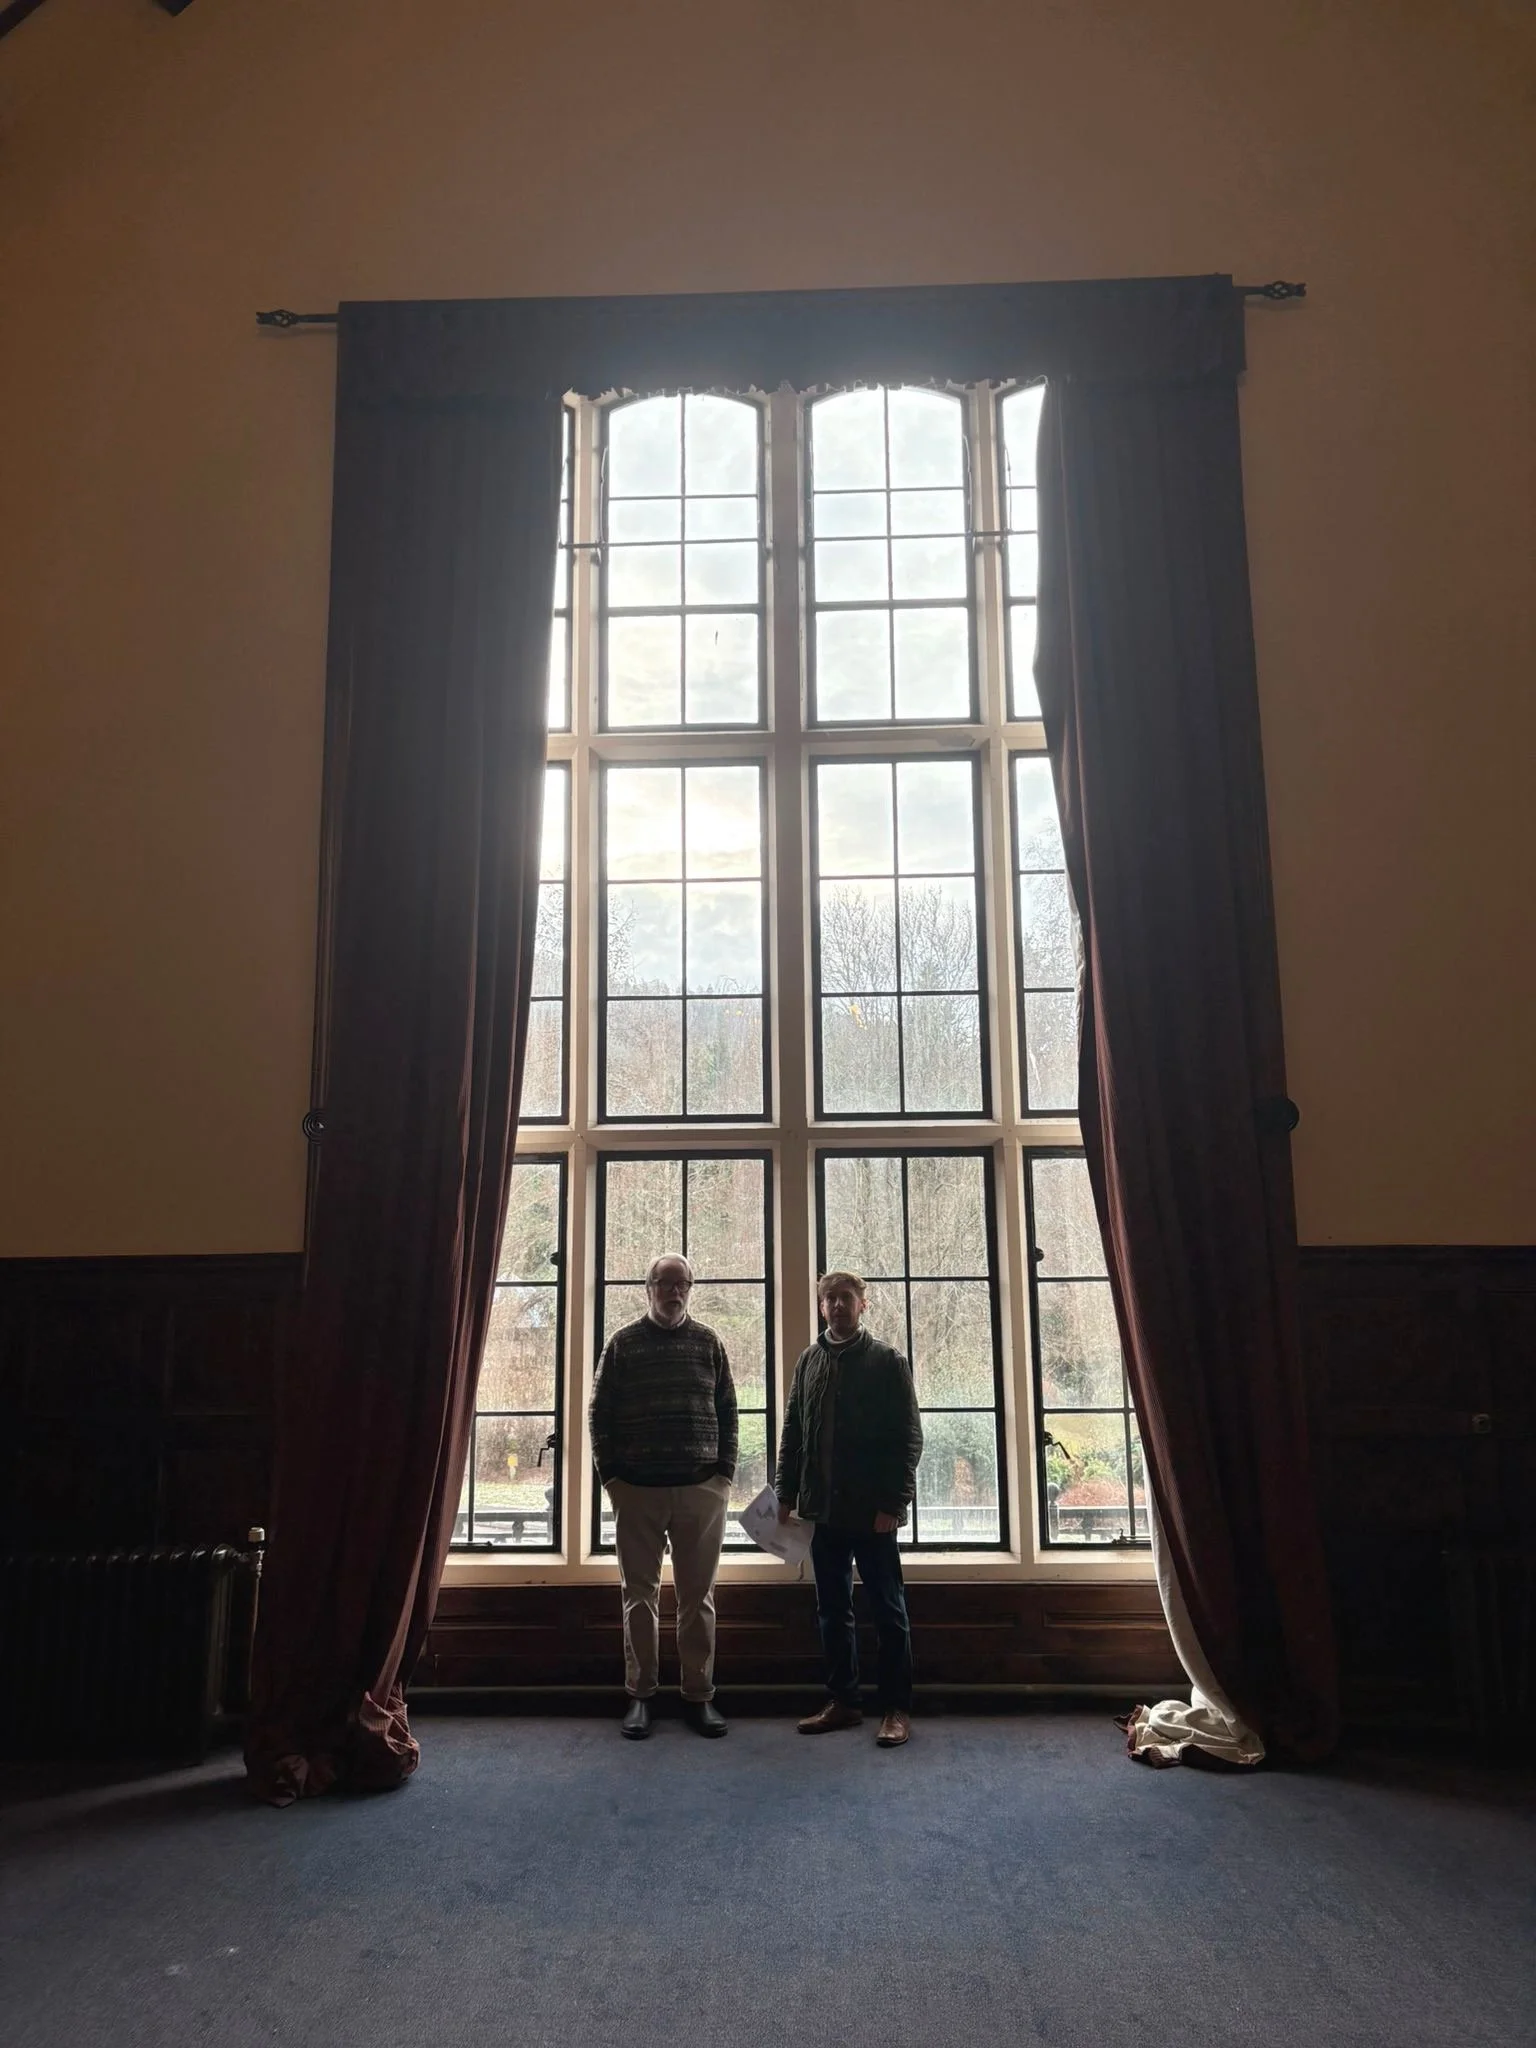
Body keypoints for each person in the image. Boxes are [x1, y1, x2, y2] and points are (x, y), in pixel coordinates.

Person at [590, 1253, 737, 1740]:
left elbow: (729, 1411)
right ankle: (641, 1695)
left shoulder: (709, 1342)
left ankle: (699, 1695)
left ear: (690, 1289)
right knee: (639, 1597)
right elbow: (599, 1413)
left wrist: (723, 1476)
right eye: (665, 1283)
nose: (675, 1292)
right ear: (648, 1287)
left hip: (701, 1490)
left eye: (683, 1284)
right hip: (637, 1492)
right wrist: (612, 1477)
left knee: (699, 1598)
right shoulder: (623, 1344)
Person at [776, 1270, 923, 1748]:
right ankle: (844, 1702)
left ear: (863, 1304)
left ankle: (896, 1708)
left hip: (873, 1513)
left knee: (888, 1610)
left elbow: (908, 1438)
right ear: (821, 1307)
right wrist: (784, 1493)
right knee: (832, 1610)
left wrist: (893, 1503)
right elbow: (793, 1431)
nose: (837, 1305)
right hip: (823, 1511)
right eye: (830, 1299)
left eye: (846, 1297)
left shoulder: (887, 1361)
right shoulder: (808, 1361)